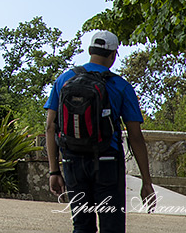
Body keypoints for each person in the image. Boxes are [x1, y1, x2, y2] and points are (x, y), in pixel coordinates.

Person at [45, 29, 155, 232]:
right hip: (108, 163)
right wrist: (146, 181)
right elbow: (135, 136)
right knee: (111, 226)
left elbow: (50, 126)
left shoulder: (64, 80)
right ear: (113, 55)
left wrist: (54, 171)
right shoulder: (121, 86)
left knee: (81, 226)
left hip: (73, 162)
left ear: (90, 50)